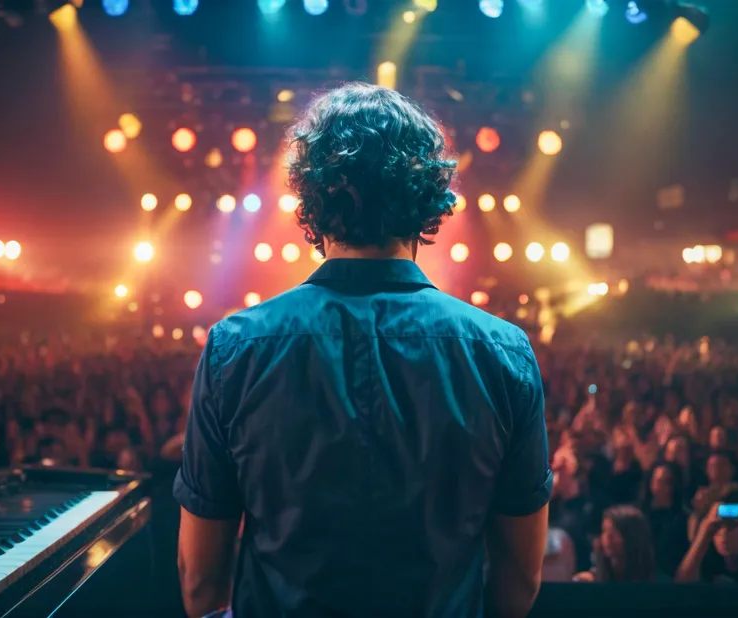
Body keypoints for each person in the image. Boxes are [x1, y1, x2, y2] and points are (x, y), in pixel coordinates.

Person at [174, 83, 552, 618]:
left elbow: (200, 579)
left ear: (313, 199)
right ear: (425, 200)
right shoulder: (502, 352)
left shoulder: (237, 347)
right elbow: (520, 575)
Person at [573, 505, 655, 582]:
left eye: (614, 531)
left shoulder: (658, 583)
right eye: (604, 531)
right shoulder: (594, 579)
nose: (607, 538)